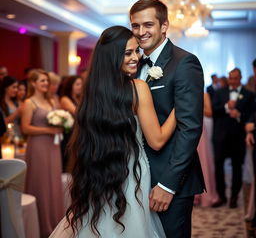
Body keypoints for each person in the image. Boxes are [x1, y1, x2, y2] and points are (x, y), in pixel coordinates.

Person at [50, 26, 177, 238]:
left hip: (98, 176)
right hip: (132, 175)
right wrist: (180, 108)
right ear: (112, 56)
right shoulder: (137, 88)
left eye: (136, 51)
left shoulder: (92, 94)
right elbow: (157, 140)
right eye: (128, 53)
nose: (136, 57)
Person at [129, 0, 205, 237]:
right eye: (135, 26)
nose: (141, 32)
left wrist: (168, 185)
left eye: (148, 25)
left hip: (169, 181)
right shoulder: (133, 63)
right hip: (135, 178)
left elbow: (190, 128)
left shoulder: (184, 63)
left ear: (164, 26)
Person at [21, 69, 64, 238]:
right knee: (40, 181)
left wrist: (62, 125)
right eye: (42, 81)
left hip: (53, 147)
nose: (46, 84)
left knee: (53, 182)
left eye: (47, 81)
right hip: (38, 146)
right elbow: (25, 128)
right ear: (33, 83)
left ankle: (54, 221)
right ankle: (41, 225)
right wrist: (49, 129)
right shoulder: (29, 102)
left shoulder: (52, 100)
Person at [212, 68, 254, 208]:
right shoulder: (219, 92)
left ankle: (234, 197)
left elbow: (251, 115)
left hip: (238, 136)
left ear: (240, 78)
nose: (233, 81)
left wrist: (240, 115)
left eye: (235, 78)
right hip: (220, 136)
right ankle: (221, 196)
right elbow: (213, 110)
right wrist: (225, 107)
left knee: (237, 167)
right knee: (218, 166)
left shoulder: (249, 94)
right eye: (231, 78)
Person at [59, 75, 83, 171]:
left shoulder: (78, 98)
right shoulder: (65, 99)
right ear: (70, 86)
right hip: (68, 134)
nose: (80, 86)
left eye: (81, 84)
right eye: (77, 84)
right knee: (69, 161)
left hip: (77, 133)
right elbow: (77, 112)